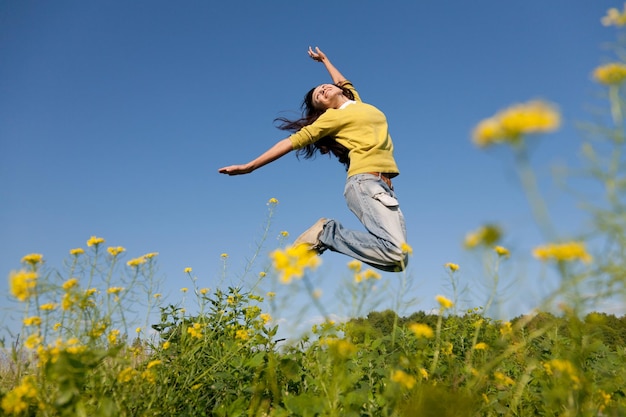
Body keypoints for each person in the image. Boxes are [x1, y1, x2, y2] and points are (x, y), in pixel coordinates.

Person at [219, 47, 408, 272]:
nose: (323, 89)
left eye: (323, 87)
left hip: (385, 187)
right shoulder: (331, 118)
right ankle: (326, 233)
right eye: (319, 96)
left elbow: (343, 82)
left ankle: (327, 235)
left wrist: (325, 60)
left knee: (398, 261)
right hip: (365, 182)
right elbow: (292, 142)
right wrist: (249, 167)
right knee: (395, 252)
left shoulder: (356, 102)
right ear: (322, 108)